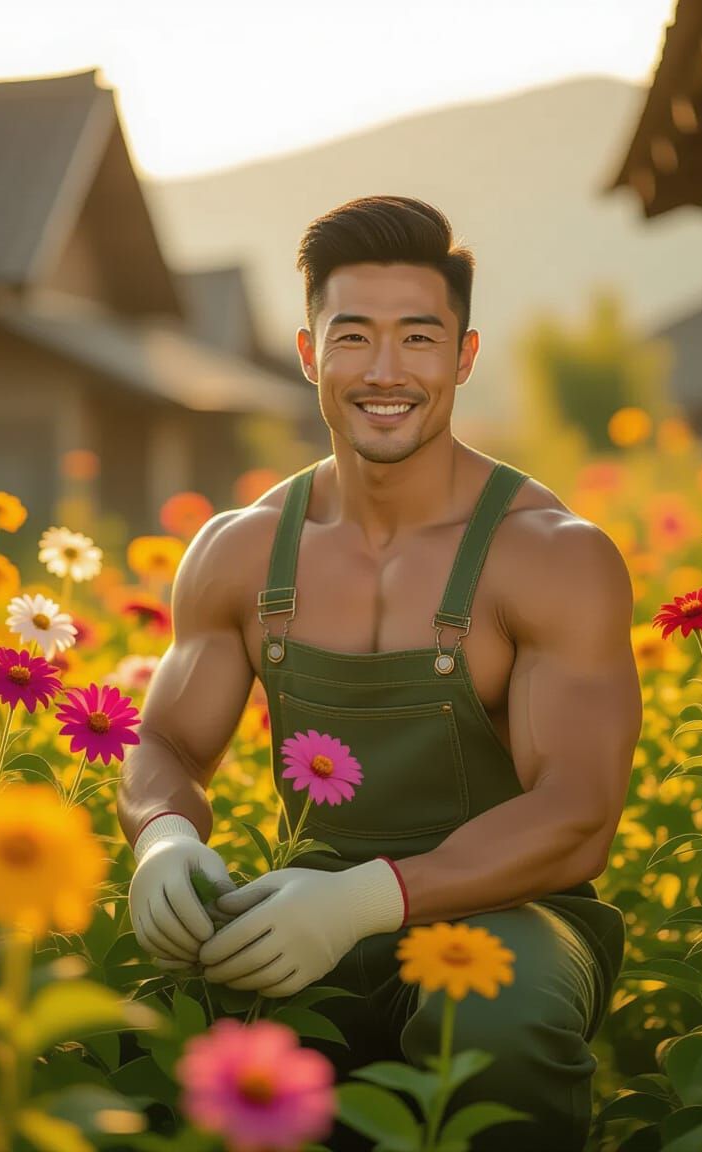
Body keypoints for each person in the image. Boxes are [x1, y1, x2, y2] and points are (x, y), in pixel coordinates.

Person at [118, 195, 642, 1152]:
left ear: (464, 357)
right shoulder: (239, 551)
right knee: (160, 1030)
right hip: (305, 901)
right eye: (353, 336)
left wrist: (369, 899)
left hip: (514, 914)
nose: (386, 372)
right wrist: (160, 836)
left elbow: (577, 816)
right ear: (310, 352)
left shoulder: (551, 555)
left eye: (419, 338)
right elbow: (166, 742)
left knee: (496, 1029)